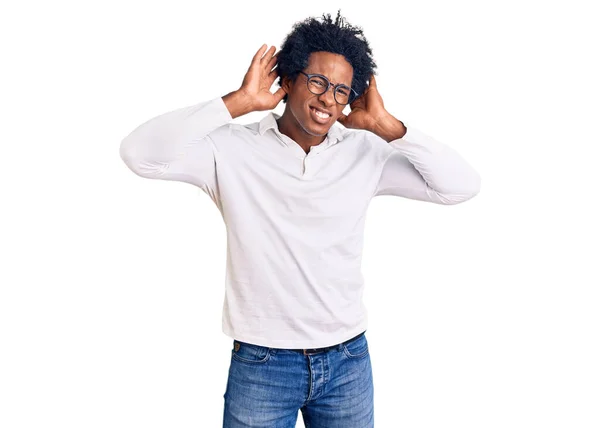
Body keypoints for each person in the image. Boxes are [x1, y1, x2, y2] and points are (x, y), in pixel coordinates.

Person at [119, 11, 480, 428]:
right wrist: (238, 102)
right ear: (288, 81)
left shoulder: (365, 152)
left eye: (342, 90)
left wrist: (386, 126)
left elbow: (461, 186)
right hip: (262, 362)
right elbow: (139, 154)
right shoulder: (231, 150)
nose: (329, 98)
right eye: (318, 82)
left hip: (347, 361)